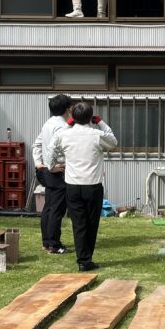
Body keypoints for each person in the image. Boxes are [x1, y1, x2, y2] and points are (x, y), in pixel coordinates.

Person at [49, 102, 117, 271]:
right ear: (90, 117)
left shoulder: (65, 134)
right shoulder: (96, 134)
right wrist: (100, 122)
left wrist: (51, 166)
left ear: (73, 118)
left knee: (78, 224)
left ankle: (82, 260)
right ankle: (87, 260)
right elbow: (113, 142)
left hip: (72, 185)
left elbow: (51, 147)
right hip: (92, 186)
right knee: (91, 224)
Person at [32, 94, 73, 254]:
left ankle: (46, 242)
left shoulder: (47, 124)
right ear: (67, 109)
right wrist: (50, 166)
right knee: (57, 209)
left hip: (46, 171)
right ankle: (54, 245)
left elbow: (37, 145)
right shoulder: (63, 127)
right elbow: (55, 149)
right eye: (70, 107)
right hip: (57, 171)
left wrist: (39, 164)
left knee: (48, 207)